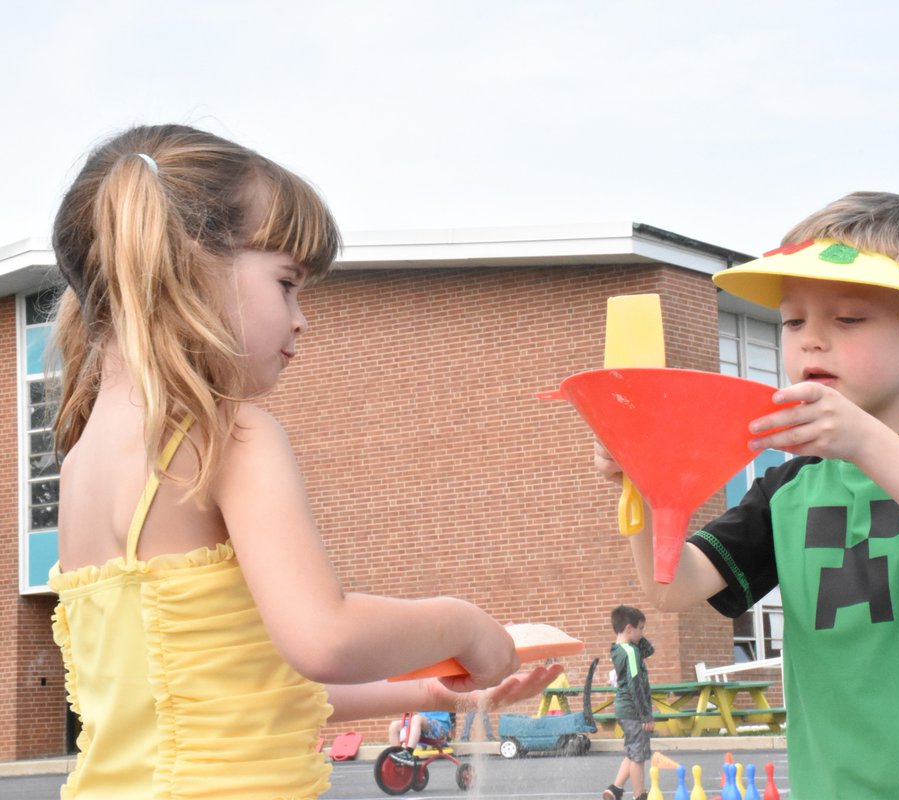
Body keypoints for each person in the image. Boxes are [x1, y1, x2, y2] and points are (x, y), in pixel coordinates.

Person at [47, 124, 562, 799]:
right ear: (185, 266)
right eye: (287, 283)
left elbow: (234, 690)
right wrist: (462, 623)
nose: (301, 319)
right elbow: (323, 637)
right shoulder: (232, 438)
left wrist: (435, 688)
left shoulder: (80, 466)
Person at [595, 192, 899, 798]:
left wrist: (866, 443)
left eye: (847, 319)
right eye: (793, 321)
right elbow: (672, 587)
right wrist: (645, 482)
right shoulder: (790, 482)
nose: (810, 342)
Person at [602, 605, 655, 800]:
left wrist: (637, 637)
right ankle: (639, 796)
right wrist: (645, 714)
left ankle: (615, 789)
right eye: (641, 628)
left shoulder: (618, 649)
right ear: (629, 628)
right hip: (634, 710)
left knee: (633, 751)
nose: (643, 633)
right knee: (638, 757)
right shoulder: (631, 652)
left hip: (624, 709)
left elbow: (649, 650)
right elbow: (635, 684)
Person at [387, 711, 454, 764]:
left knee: (416, 718)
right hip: (422, 725)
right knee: (394, 725)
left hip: (439, 726)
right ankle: (396, 758)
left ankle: (408, 753)